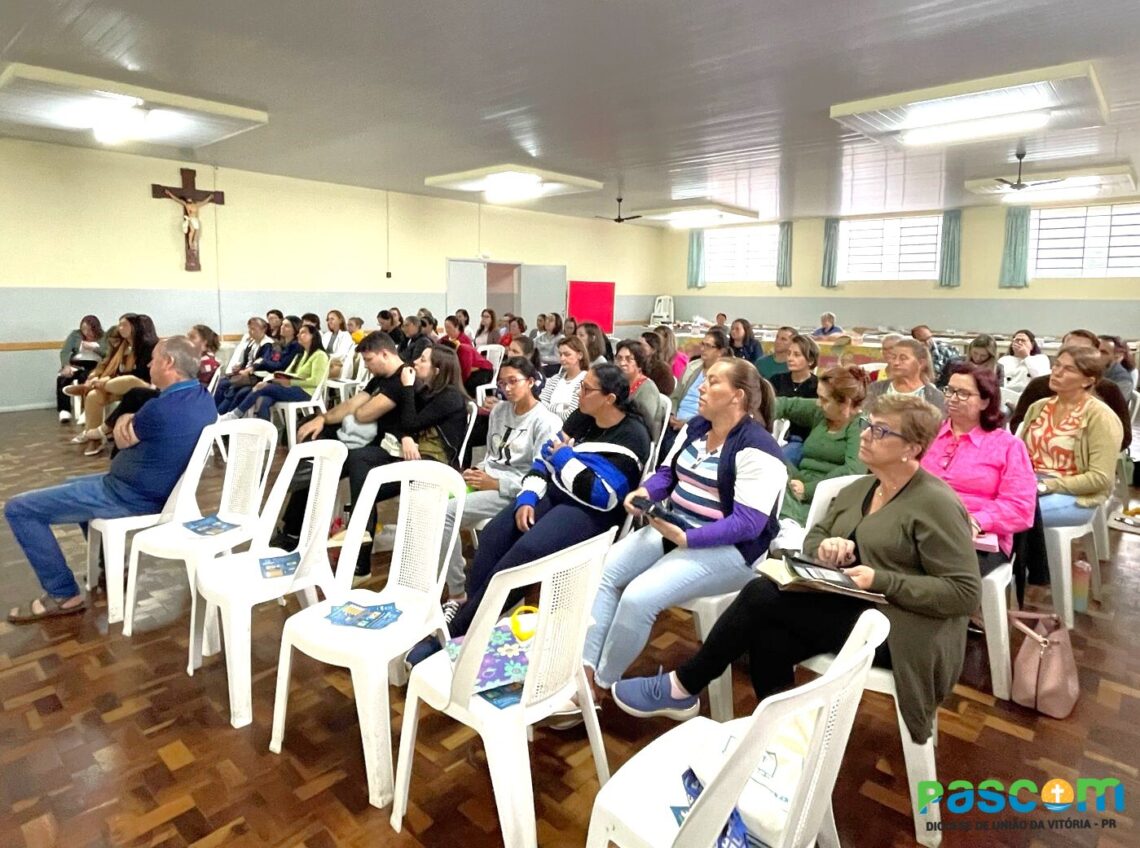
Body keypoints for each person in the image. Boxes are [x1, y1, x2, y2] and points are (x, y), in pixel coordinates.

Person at [612, 395, 980, 747]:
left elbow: (964, 593)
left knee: (761, 595)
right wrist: (827, 547)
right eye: (868, 425)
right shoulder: (863, 488)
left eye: (881, 432)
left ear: (912, 448)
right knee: (767, 636)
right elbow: (815, 536)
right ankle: (785, 740)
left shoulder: (936, 503)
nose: (865, 435)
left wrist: (882, 579)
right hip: (856, 604)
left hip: (904, 629)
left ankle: (685, 685)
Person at [408, 363, 651, 664]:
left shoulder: (632, 435)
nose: (579, 393)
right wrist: (527, 495)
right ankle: (476, 619)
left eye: (586, 389)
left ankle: (457, 631)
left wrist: (564, 458)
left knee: (523, 554)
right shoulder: (583, 417)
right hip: (557, 493)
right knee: (495, 536)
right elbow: (543, 460)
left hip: (591, 513)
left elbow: (603, 495)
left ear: (609, 399)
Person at [584, 359, 787, 694]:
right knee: (603, 573)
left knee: (638, 597)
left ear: (737, 397)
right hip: (676, 527)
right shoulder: (697, 427)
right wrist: (645, 492)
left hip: (730, 550)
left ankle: (602, 684)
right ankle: (585, 669)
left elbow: (748, 524)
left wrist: (690, 538)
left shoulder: (759, 449)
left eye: (712, 381)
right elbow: (668, 474)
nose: (701, 388)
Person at [6, 336, 217, 623]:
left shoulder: (161, 409)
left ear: (168, 363)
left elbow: (121, 436)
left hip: (129, 496)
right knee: (73, 481)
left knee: (19, 508)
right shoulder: (203, 399)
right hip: (142, 488)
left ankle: (63, 594)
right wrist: (129, 420)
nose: (148, 363)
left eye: (153, 359)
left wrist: (124, 419)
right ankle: (109, 566)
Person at [439, 357, 562, 609]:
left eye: (513, 382)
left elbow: (540, 478)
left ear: (530, 382)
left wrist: (495, 483)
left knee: (446, 514)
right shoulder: (499, 411)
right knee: (432, 499)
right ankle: (440, 572)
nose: (507, 388)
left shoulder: (545, 422)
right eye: (502, 383)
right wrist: (477, 471)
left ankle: (457, 592)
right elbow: (492, 457)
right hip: (489, 479)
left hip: (515, 490)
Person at [921, 363, 1036, 569]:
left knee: (932, 570)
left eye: (963, 393)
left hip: (976, 535)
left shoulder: (1008, 446)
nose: (952, 398)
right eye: (949, 390)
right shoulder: (928, 433)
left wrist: (978, 520)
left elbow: (1020, 507)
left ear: (985, 402)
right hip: (921, 524)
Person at [1019, 345, 1122, 528]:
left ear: (1087, 381)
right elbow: (1019, 454)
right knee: (981, 503)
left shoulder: (1101, 417)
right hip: (1031, 483)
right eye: (1057, 365)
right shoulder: (1039, 407)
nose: (1057, 372)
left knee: (1017, 512)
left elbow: (1100, 478)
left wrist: (1048, 486)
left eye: (1068, 369)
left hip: (1075, 494)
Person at [775, 366, 868, 525]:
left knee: (775, 492)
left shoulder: (860, 426)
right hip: (798, 481)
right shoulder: (821, 412)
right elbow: (783, 404)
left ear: (845, 403)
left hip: (826, 495)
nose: (818, 403)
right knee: (768, 460)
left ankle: (791, 525)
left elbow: (853, 471)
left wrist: (808, 490)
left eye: (824, 400)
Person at [1009, 329, 1131, 450]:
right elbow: (1018, 424)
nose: (1071, 355)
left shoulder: (1109, 390)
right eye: (1067, 349)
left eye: (1081, 351)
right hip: (1038, 454)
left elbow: (1124, 437)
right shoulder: (1038, 386)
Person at [66, 314, 158, 457]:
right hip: (118, 386)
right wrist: (96, 377)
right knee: (93, 396)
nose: (120, 328)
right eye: (119, 324)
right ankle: (94, 439)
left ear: (135, 327)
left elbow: (140, 374)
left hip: (144, 386)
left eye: (124, 325)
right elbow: (106, 364)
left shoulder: (148, 346)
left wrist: (105, 379)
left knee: (129, 379)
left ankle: (89, 386)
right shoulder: (121, 346)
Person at [222, 324, 329, 421]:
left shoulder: (320, 355)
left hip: (306, 392)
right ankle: (266, 435)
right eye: (299, 332)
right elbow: (286, 373)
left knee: (263, 388)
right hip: (292, 387)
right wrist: (274, 379)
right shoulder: (301, 355)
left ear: (313, 336)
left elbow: (315, 381)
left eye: (303, 332)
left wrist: (290, 382)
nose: (299, 335)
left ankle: (235, 415)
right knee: (265, 400)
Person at [663, 327, 733, 460]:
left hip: (700, 426)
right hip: (675, 421)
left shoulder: (725, 376)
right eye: (703, 344)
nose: (703, 349)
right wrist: (672, 414)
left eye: (708, 346)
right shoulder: (693, 367)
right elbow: (676, 396)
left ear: (720, 351)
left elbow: (718, 411)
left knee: (672, 448)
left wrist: (687, 423)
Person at [770, 334, 820, 467]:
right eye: (789, 353)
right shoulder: (776, 380)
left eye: (797, 355)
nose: (790, 358)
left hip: (800, 439)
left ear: (810, 360)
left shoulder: (819, 386)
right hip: (772, 434)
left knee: (777, 461)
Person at [866, 338, 946, 413]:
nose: (896, 363)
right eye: (893, 357)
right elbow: (864, 421)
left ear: (921, 363)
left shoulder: (934, 396)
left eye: (903, 358)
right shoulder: (875, 389)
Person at [56, 315, 107, 422]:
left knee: (85, 378)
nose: (86, 332)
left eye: (89, 329)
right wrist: (66, 365)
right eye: (84, 329)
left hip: (95, 365)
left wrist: (94, 348)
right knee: (62, 378)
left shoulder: (104, 337)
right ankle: (64, 410)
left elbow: (107, 354)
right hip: (76, 364)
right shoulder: (75, 335)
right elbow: (65, 351)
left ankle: (87, 409)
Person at [615, 340, 664, 442]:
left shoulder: (647, 388)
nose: (622, 363)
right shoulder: (617, 383)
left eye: (629, 359)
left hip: (638, 440)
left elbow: (643, 424)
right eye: (619, 358)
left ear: (639, 363)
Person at [639, 331, 677, 396]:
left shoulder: (662, 369)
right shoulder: (639, 363)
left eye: (642, 345)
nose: (638, 348)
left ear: (653, 349)